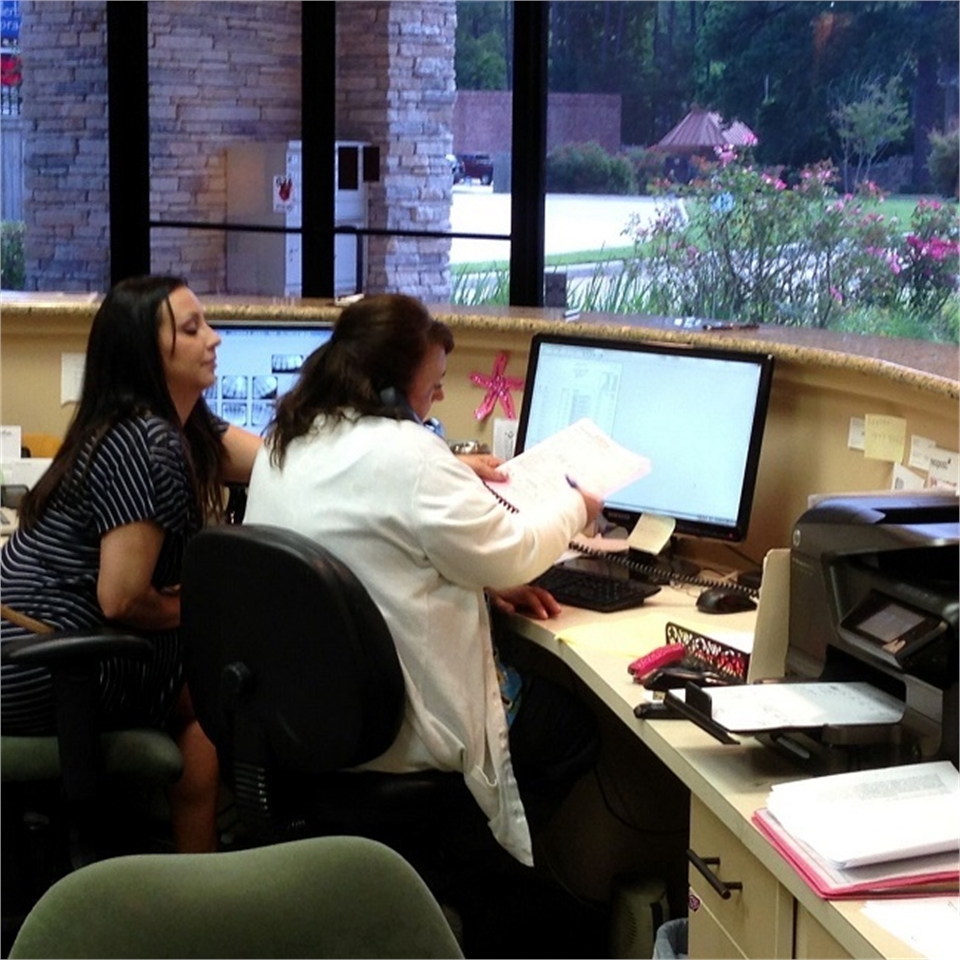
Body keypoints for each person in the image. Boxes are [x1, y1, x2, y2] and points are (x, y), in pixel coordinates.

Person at [243, 292, 603, 867]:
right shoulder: (410, 453)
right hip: (394, 727)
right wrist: (577, 505)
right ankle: (478, 878)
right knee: (571, 729)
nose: (437, 397)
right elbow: (517, 550)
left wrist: (478, 582)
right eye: (434, 385)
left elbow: (369, 552)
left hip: (304, 718)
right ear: (389, 388)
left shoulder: (285, 439)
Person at [0, 275, 262, 854]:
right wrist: (204, 608)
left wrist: (424, 462)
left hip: (35, 650)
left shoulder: (167, 427)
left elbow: (281, 460)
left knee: (211, 698)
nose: (214, 339)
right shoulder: (146, 441)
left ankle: (193, 883)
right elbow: (120, 600)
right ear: (148, 354)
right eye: (192, 329)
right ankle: (204, 887)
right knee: (237, 684)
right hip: (42, 663)